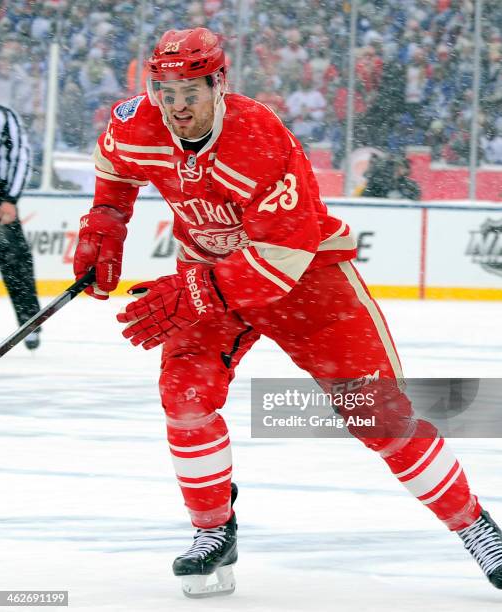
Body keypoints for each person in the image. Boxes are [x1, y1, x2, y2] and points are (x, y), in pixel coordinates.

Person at [73, 28, 502, 598]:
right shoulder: (138, 122)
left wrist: (198, 291)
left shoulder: (259, 137)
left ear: (219, 85)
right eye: (165, 91)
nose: (176, 106)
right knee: (185, 396)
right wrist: (106, 219)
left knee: (378, 415)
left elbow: (283, 255)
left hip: (306, 282)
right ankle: (212, 531)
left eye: (190, 92)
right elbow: (114, 162)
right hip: (209, 274)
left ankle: (475, 527)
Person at [0, 104, 41, 350]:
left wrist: (10, 199)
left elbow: (20, 156)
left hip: (0, 197)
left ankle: (29, 322)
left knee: (16, 263)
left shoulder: (4, 117)